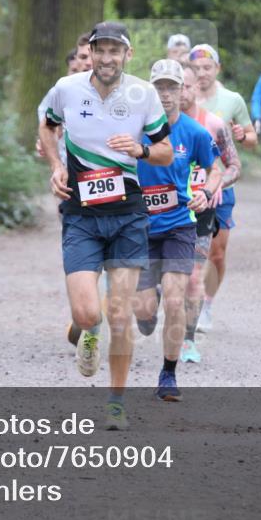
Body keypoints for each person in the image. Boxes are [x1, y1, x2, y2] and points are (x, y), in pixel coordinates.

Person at [39, 21, 173, 430]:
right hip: (81, 215)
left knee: (119, 313)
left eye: (116, 50)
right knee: (85, 313)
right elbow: (47, 125)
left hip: (128, 215)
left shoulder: (143, 94)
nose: (107, 57)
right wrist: (57, 165)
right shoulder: (66, 88)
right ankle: (89, 330)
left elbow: (166, 151)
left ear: (128, 55)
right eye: (101, 50)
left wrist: (141, 149)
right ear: (92, 53)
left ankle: (116, 402)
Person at [132, 59, 221, 401]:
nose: (166, 94)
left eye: (172, 87)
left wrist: (206, 193)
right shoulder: (134, 128)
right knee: (144, 313)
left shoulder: (194, 132)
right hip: (139, 227)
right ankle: (147, 305)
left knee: (174, 299)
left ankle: (168, 375)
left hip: (179, 226)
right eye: (160, 87)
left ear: (182, 91)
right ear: (150, 90)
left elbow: (215, 170)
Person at [177, 65, 242, 363]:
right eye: (175, 86)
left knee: (193, 276)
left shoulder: (213, 124)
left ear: (196, 89)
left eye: (186, 86)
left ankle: (188, 341)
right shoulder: (152, 125)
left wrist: (215, 185)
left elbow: (234, 165)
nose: (180, 92)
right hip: (162, 208)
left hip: (201, 210)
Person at [188, 43, 255, 332]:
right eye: (196, 68)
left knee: (216, 253)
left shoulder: (232, 100)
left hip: (220, 189)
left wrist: (242, 135)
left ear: (218, 69)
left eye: (207, 67)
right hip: (185, 188)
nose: (202, 73)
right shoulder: (181, 96)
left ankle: (207, 304)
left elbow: (252, 138)